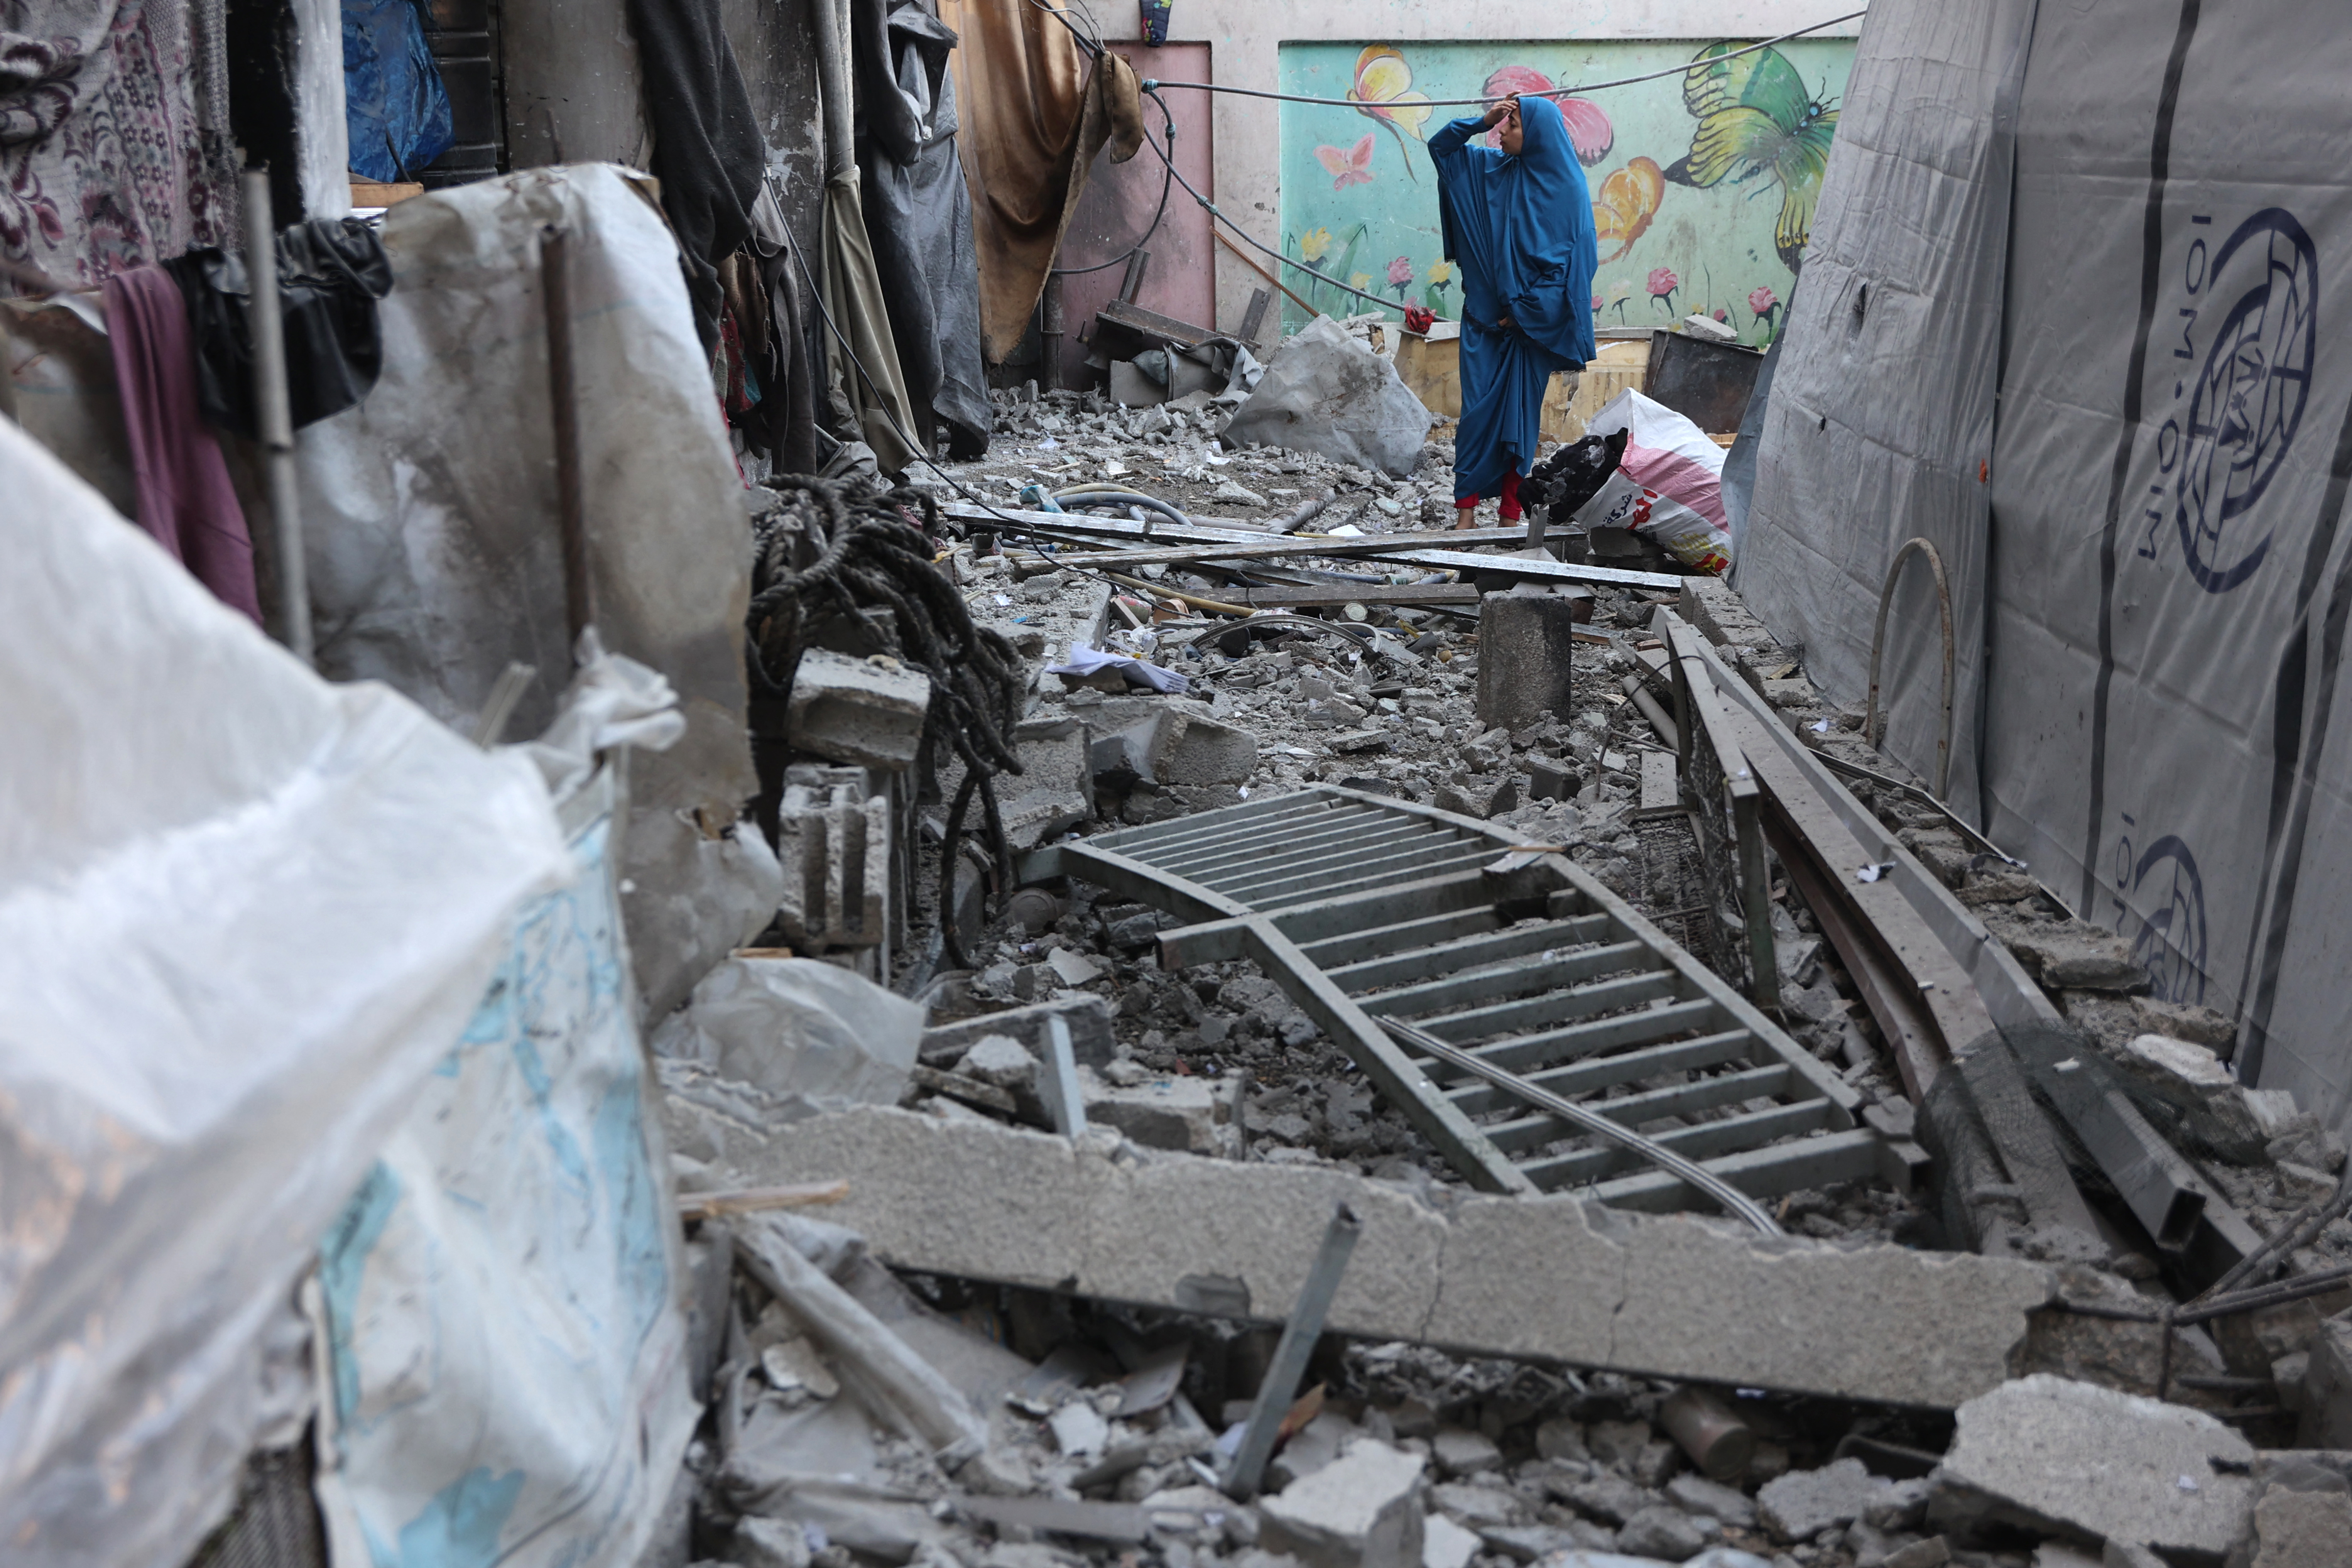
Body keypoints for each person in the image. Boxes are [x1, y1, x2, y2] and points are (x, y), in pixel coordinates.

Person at [1426, 92, 1597, 525]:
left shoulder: (1570, 192)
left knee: (1519, 426)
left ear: (1538, 134)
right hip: (1484, 325)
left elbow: (1576, 268)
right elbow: (1441, 150)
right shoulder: (1489, 172)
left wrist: (1523, 312)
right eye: (1502, 124)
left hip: (1530, 332)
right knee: (1476, 417)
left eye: (1512, 125)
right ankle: (1463, 519)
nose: (1502, 132)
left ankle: (1508, 517)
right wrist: (1480, 122)